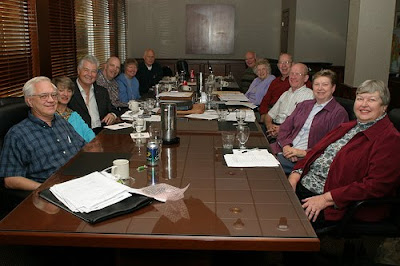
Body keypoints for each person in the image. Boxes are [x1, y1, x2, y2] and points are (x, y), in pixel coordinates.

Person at [288, 80, 400, 229]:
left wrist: (327, 199)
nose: (364, 104)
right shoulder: (348, 127)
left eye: (372, 100)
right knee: (265, 205)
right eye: (360, 99)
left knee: (285, 226)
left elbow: (376, 185)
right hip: (305, 186)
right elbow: (314, 152)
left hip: (337, 204)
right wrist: (295, 175)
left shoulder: (390, 138)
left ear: (384, 106)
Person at [0, 77, 85, 191]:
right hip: (52, 193)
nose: (51, 100)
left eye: (54, 95)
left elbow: (82, 147)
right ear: (30, 101)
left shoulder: (61, 121)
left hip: (80, 180)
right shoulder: (17, 134)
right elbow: (10, 179)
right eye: (44, 96)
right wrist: (46, 189)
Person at [271, 69, 349, 174]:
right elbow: (285, 127)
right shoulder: (304, 105)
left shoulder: (338, 113)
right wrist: (286, 146)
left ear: (333, 88)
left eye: (325, 84)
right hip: (283, 150)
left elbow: (332, 146)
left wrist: (302, 153)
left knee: (262, 168)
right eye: (317, 84)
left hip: (307, 160)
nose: (320, 88)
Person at [68, 55, 118, 134]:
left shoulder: (102, 92)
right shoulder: (69, 92)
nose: (90, 74)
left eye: (93, 71)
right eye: (86, 70)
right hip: (80, 136)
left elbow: (113, 109)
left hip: (101, 134)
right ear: (78, 70)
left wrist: (112, 115)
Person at [264, 63, 314, 139]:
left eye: (297, 74)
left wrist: (282, 130)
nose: (293, 77)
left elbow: (304, 124)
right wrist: (269, 127)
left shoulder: (310, 96)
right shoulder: (285, 94)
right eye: (291, 73)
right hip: (273, 132)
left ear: (305, 78)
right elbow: (268, 116)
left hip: (291, 137)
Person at [52, 76, 95, 143]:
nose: (66, 94)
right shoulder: (49, 115)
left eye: (69, 91)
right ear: (54, 93)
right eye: (61, 90)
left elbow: (88, 133)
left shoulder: (74, 115)